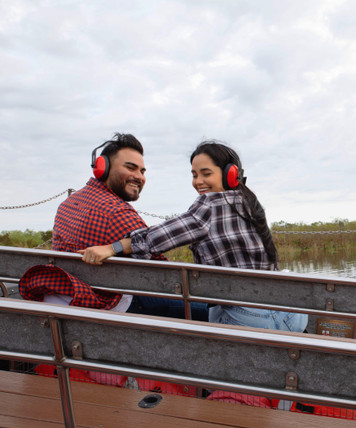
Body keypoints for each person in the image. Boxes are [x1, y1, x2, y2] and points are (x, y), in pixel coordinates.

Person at [79, 140, 308, 333]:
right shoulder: (248, 202)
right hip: (290, 313)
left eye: (206, 174)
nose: (198, 181)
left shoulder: (209, 204)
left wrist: (113, 248)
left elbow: (159, 237)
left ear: (230, 174)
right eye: (194, 174)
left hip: (248, 318)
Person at [19, 132, 208, 321]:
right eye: (130, 168)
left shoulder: (69, 203)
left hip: (63, 294)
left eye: (142, 171)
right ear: (103, 168)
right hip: (104, 302)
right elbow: (163, 276)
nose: (139, 177)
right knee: (210, 308)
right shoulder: (117, 213)